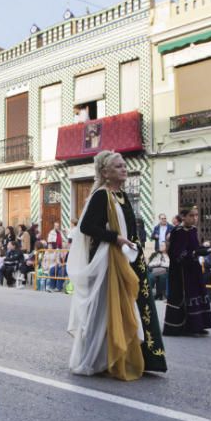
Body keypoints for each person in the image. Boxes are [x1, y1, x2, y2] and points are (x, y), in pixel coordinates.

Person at [68, 151, 166, 378]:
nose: (125, 169)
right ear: (105, 173)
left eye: (124, 165)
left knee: (131, 307)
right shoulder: (101, 196)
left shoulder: (121, 194)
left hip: (128, 258)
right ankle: (95, 358)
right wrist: (116, 238)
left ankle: (136, 356)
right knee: (104, 310)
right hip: (108, 261)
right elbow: (86, 227)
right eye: (119, 166)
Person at [163, 206, 211, 336]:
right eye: (191, 216)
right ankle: (184, 326)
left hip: (194, 268)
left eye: (196, 215)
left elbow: (194, 247)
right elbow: (175, 253)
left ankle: (198, 325)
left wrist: (203, 249)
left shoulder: (193, 230)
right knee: (187, 296)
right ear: (184, 217)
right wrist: (192, 253)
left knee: (198, 294)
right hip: (181, 271)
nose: (194, 218)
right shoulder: (177, 231)